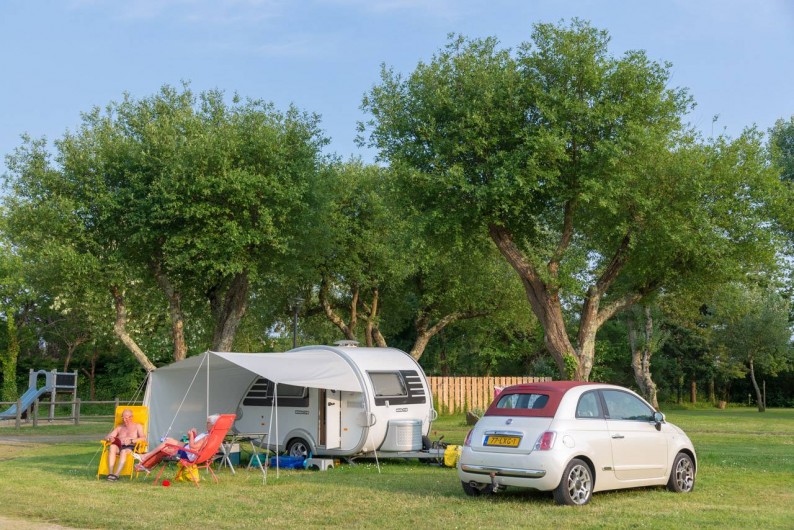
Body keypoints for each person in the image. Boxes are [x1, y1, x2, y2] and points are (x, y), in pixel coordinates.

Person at [134, 414, 220, 473]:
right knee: (169, 441)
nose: (206, 424)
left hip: (189, 453)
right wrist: (194, 434)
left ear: (213, 424)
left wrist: (191, 436)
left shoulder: (207, 437)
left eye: (208, 422)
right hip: (189, 450)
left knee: (166, 448)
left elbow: (193, 447)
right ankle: (146, 463)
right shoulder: (212, 435)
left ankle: (145, 463)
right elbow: (199, 445)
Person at [103, 408, 145, 481]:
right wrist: (110, 438)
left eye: (126, 418)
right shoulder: (119, 427)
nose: (124, 419)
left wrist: (132, 440)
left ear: (131, 417)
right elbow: (107, 437)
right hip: (119, 446)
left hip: (130, 447)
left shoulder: (137, 426)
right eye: (123, 417)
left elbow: (143, 438)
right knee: (112, 446)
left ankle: (116, 475)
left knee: (123, 451)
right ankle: (110, 473)